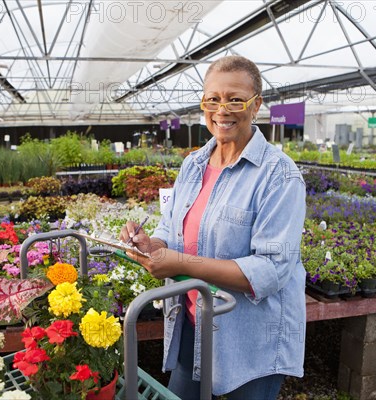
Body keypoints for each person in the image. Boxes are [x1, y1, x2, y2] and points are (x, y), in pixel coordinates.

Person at [120, 55, 306, 400]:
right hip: (193, 321)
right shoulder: (193, 164)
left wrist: (178, 264)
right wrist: (150, 244)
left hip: (250, 338)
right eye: (213, 99)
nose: (222, 109)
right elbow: (170, 230)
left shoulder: (279, 175)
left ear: (256, 105)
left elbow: (271, 270)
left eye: (235, 99)